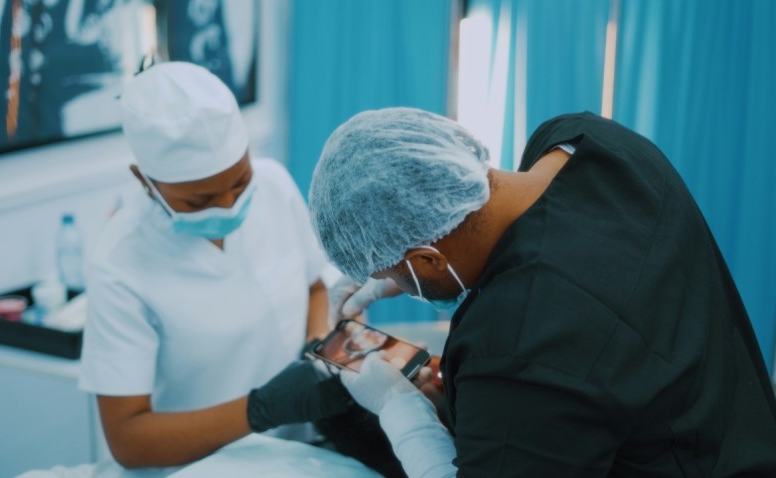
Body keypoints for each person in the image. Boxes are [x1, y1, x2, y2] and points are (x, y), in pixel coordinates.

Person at [308, 108, 776, 477]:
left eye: (393, 273)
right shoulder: (588, 142)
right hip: (740, 435)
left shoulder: (515, 341)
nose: (392, 285)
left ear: (428, 258)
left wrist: (400, 409)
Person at [77, 61, 353, 475]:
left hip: (297, 455)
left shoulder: (274, 184)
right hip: (195, 468)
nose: (229, 206)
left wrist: (316, 349)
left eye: (240, 182)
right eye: (199, 201)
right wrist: (260, 409)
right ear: (143, 180)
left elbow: (314, 285)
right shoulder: (120, 261)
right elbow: (128, 440)